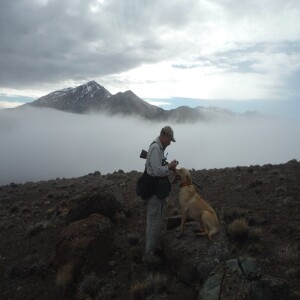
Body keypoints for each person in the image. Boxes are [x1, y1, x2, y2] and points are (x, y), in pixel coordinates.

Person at [145, 125, 178, 257]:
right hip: (153, 190)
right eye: (170, 139)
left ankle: (154, 249)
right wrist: (169, 167)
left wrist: (167, 165)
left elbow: (158, 167)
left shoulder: (159, 148)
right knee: (153, 222)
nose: (170, 143)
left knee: (157, 220)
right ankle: (149, 255)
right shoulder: (155, 148)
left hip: (157, 190)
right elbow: (157, 171)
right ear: (164, 136)